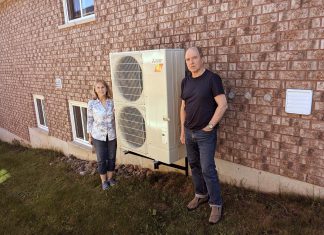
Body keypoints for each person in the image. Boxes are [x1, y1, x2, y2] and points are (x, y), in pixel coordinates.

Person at [180, 47, 228, 224]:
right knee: (194, 165)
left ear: (202, 58)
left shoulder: (212, 79)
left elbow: (222, 105)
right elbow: (183, 107)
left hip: (205, 134)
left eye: (194, 58)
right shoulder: (185, 82)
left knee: (207, 168)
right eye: (188, 59)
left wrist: (210, 125)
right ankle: (201, 194)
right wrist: (182, 130)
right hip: (189, 132)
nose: (191, 62)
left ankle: (216, 203)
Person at [87, 79, 117, 190]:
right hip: (98, 136)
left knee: (112, 158)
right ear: (95, 90)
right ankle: (104, 181)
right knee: (101, 159)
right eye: (98, 87)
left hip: (111, 135)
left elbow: (117, 117)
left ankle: (110, 179)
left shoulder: (112, 102)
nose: (101, 89)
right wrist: (90, 136)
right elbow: (89, 120)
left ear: (106, 88)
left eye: (103, 87)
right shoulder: (92, 103)